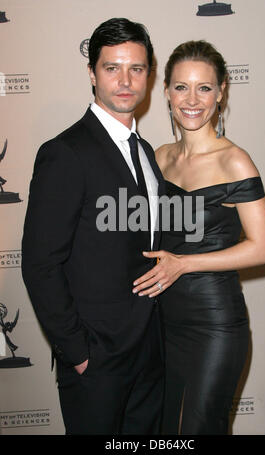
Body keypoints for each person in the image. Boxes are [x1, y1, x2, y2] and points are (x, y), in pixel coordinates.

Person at [21, 18, 165, 435]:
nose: (125, 80)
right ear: (92, 73)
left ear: (149, 75)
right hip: (97, 359)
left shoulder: (145, 152)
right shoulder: (65, 152)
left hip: (150, 351)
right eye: (111, 67)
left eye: (136, 68)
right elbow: (40, 263)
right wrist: (78, 351)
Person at [132, 40, 265, 434]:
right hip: (161, 321)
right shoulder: (158, 157)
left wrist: (184, 264)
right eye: (181, 87)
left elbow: (264, 249)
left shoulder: (234, 160)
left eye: (204, 87)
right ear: (165, 91)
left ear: (221, 91)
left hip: (214, 325)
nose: (192, 99)